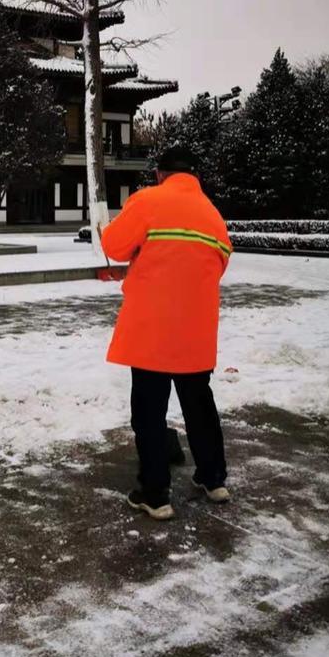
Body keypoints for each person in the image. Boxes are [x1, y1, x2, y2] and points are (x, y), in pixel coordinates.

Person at [101, 146, 232, 520]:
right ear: (193, 176)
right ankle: (213, 477)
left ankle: (155, 494)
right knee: (200, 406)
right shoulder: (212, 214)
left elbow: (114, 245)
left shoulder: (148, 200)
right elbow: (218, 264)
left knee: (149, 411)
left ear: (160, 174)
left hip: (153, 330)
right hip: (195, 330)